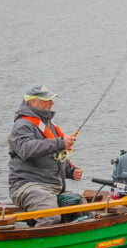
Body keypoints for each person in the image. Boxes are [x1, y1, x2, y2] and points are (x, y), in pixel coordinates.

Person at [8, 86, 81, 214]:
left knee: (80, 205)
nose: (52, 103)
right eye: (47, 100)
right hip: (27, 186)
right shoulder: (22, 125)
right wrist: (60, 142)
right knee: (50, 211)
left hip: (51, 188)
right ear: (33, 102)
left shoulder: (48, 124)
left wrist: (70, 171)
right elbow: (26, 149)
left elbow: (50, 157)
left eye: (51, 99)